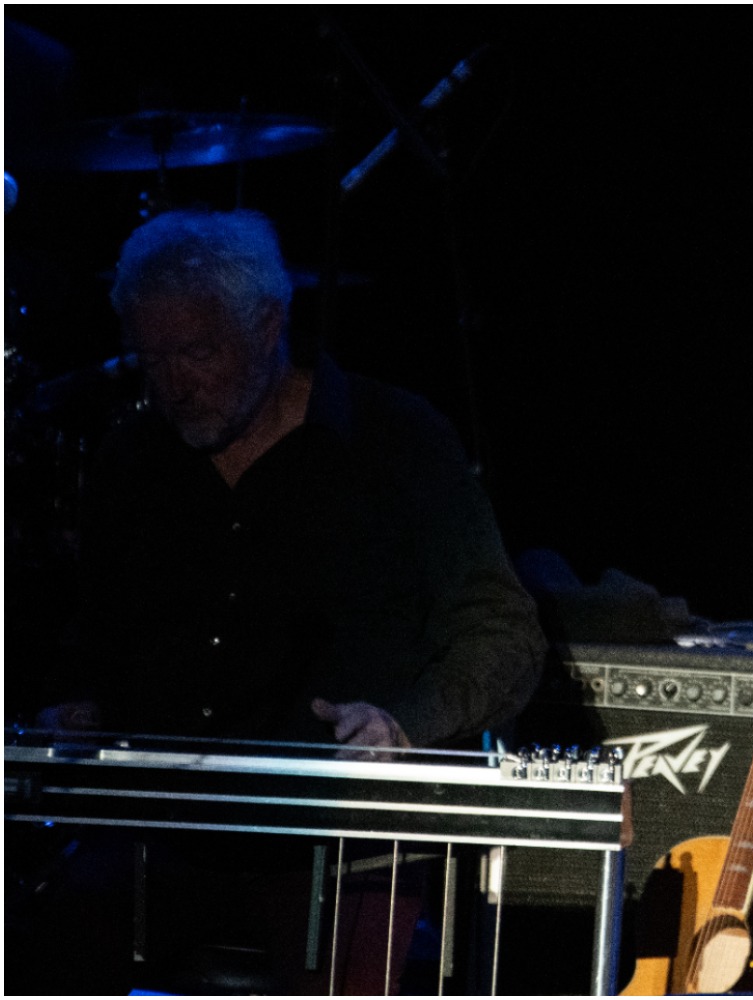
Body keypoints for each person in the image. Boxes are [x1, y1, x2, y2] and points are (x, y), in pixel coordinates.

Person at [18, 208, 545, 994]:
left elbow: (502, 632)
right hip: (160, 835)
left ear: (269, 324)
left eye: (199, 353)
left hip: (340, 842)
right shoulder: (132, 459)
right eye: (151, 359)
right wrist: (75, 702)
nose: (174, 385)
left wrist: (404, 723)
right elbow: (90, 636)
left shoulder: (394, 437)